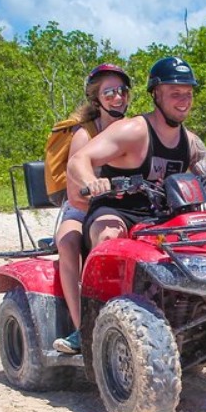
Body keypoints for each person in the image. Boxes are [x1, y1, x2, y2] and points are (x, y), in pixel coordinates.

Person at [66, 54, 206, 277]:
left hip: (166, 216)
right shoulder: (133, 131)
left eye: (188, 94)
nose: (184, 100)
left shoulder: (192, 143)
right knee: (108, 235)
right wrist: (92, 182)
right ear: (156, 94)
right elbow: (78, 161)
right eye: (175, 93)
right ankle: (101, 305)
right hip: (120, 212)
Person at [51, 63, 132, 355]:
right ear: (96, 98)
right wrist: (98, 191)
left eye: (122, 90)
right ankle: (82, 329)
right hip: (83, 209)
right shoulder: (85, 135)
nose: (118, 97)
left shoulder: (135, 128)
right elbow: (74, 196)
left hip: (128, 207)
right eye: (109, 92)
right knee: (69, 242)